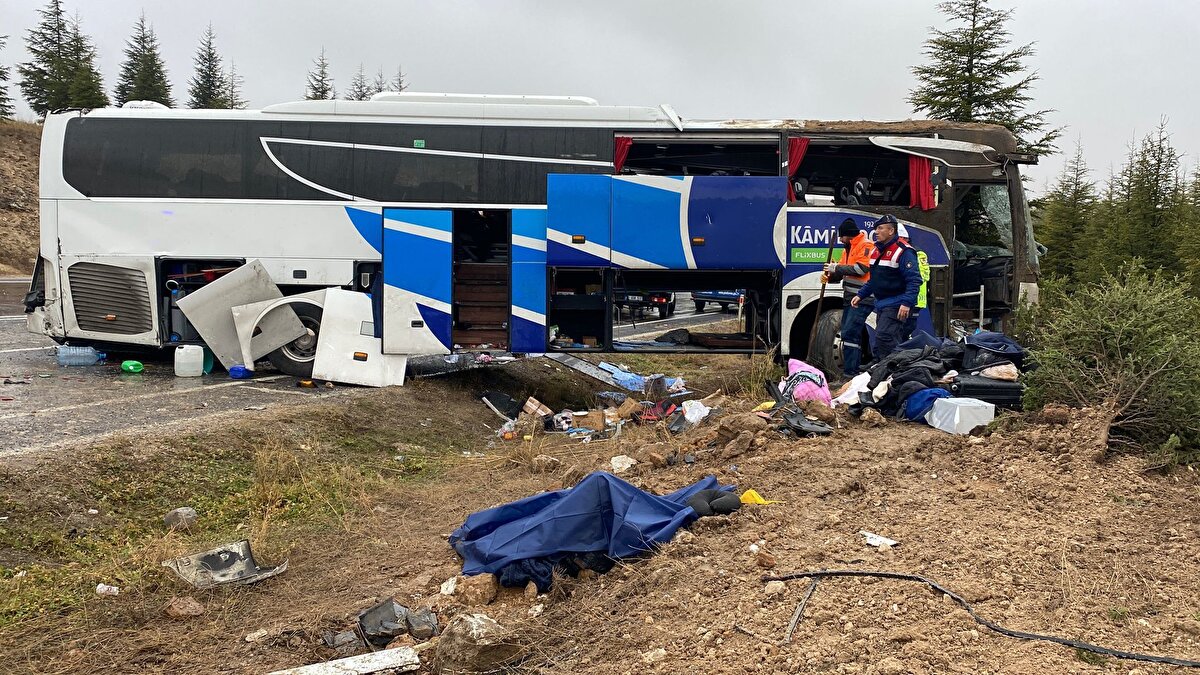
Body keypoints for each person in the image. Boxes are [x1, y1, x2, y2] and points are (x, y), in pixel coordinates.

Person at [850, 214, 923, 360]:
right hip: (882, 303)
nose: (876, 232)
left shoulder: (904, 251)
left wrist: (906, 303)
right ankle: (881, 368)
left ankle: (892, 370)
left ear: (891, 231)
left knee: (885, 337)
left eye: (880, 228)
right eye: (876, 228)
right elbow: (874, 279)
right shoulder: (876, 251)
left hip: (896, 303)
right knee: (881, 339)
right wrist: (861, 294)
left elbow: (914, 280)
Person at [823, 218, 874, 378]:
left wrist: (836, 267)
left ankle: (850, 372)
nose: (839, 240)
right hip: (850, 298)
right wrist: (830, 276)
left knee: (850, 333)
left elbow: (861, 269)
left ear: (849, 235)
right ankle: (851, 371)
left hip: (862, 298)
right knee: (848, 333)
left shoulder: (866, 246)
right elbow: (841, 272)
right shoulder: (848, 249)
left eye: (841, 236)